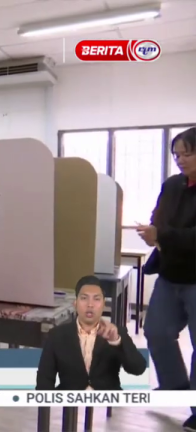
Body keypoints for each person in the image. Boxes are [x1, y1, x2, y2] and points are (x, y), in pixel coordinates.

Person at [138, 127, 196, 430]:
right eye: (176, 155)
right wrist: (153, 231)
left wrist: (163, 234)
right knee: (156, 331)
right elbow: (158, 216)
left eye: (188, 153)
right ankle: (175, 386)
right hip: (170, 273)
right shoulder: (173, 184)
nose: (180, 160)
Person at [36, 276, 147, 390]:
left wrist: (116, 341)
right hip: (70, 399)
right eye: (84, 298)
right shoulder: (56, 335)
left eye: (96, 299)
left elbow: (138, 369)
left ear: (104, 304)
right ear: (75, 303)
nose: (90, 304)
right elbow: (44, 380)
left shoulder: (116, 333)